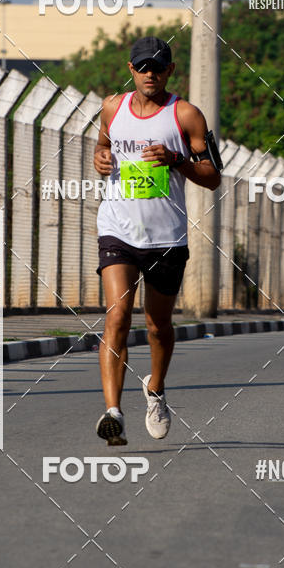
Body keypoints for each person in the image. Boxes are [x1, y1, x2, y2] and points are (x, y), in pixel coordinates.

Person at [93, 36, 221, 445]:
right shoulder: (112, 107)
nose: (151, 73)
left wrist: (177, 160)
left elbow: (213, 176)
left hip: (166, 235)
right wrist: (99, 159)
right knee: (117, 317)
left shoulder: (185, 115)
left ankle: (156, 389)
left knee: (158, 325)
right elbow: (101, 147)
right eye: (143, 67)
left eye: (158, 67)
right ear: (131, 69)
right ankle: (113, 412)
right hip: (118, 227)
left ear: (170, 71)